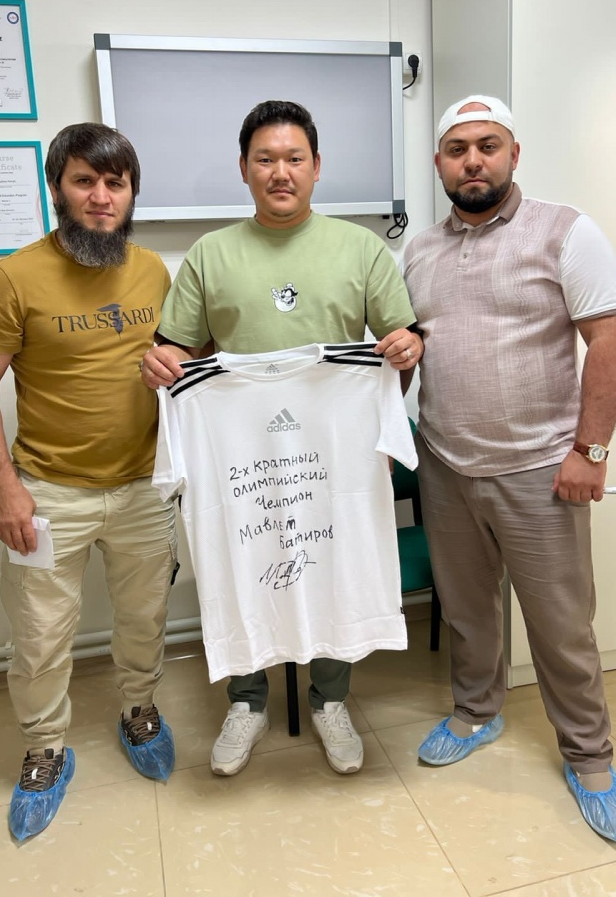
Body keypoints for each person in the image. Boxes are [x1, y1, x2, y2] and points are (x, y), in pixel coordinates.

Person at [141, 100, 423, 778]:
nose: (280, 172)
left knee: (331, 562)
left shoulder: (361, 249)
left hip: (334, 450)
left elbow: (401, 346)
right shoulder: (210, 254)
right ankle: (247, 700)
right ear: (243, 168)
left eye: (294, 158)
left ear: (316, 167)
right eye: (264, 159)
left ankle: (331, 699)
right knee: (243, 561)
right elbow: (176, 349)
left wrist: (405, 355)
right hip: (243, 455)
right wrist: (162, 361)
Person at [402, 95, 616, 843]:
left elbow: (608, 339)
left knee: (561, 624)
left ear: (513, 154)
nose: (473, 160)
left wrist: (589, 451)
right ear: (439, 163)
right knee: (467, 610)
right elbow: (413, 348)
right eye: (457, 149)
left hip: (540, 468)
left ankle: (589, 755)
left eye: (488, 145)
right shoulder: (419, 252)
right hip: (445, 462)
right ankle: (476, 712)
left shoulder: (565, 231)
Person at [0, 123, 178, 842]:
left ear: (132, 193)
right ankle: (45, 748)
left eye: (116, 183)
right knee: (40, 634)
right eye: (85, 181)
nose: (101, 196)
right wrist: (4, 487)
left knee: (145, 617)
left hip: (144, 488)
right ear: (57, 188)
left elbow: (181, 359)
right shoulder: (12, 277)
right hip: (47, 491)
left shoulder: (154, 271)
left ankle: (138, 709)